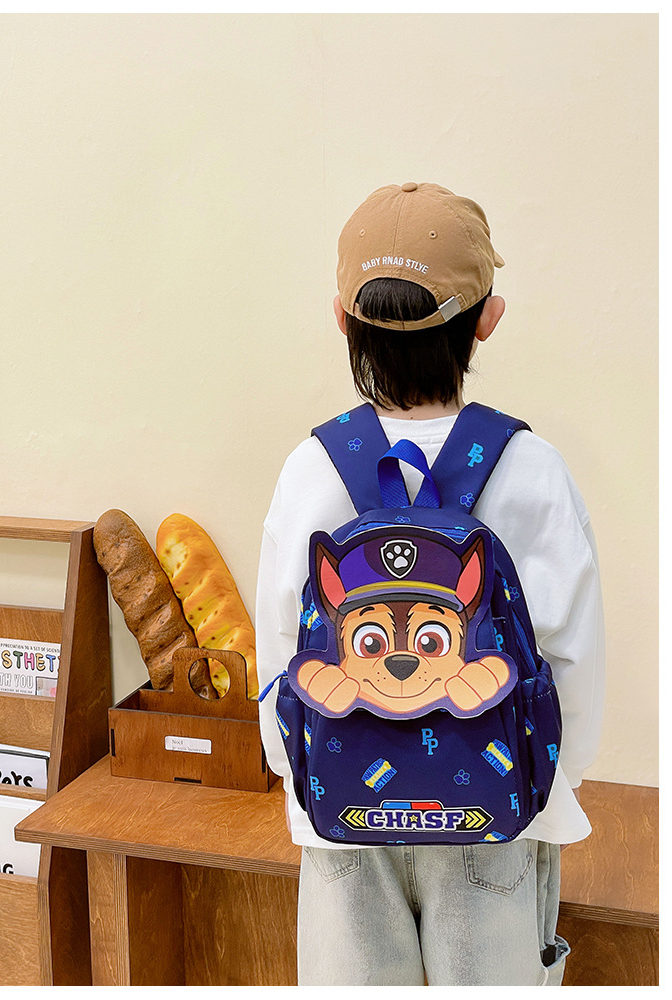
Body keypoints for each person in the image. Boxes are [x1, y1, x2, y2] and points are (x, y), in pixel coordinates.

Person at [255, 182, 604, 987]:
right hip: (494, 809)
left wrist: (299, 778)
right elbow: (573, 659)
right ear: (488, 318)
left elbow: (280, 654)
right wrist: (551, 784)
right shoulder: (532, 469)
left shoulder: (310, 469)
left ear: (342, 320)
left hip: (342, 809)